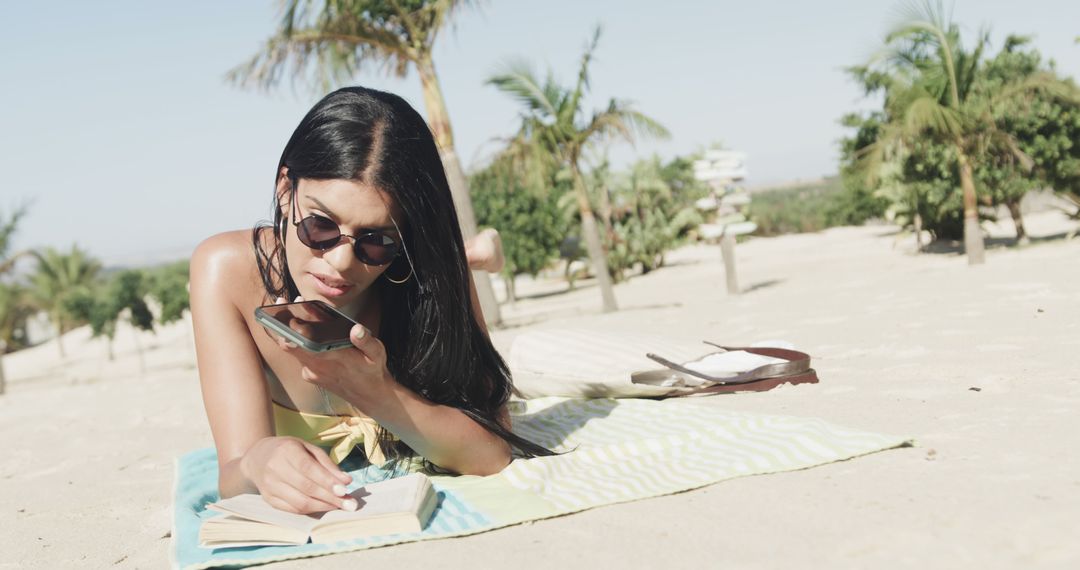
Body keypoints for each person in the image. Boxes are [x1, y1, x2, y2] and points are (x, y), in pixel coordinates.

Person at [189, 86, 548, 516]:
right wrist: (257, 461)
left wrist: (379, 393)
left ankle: (474, 252)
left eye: (376, 241)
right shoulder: (224, 270)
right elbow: (233, 474)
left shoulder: (432, 270)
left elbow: (492, 453)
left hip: (423, 268)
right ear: (285, 189)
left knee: (451, 260)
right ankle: (479, 250)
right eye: (320, 227)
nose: (340, 263)